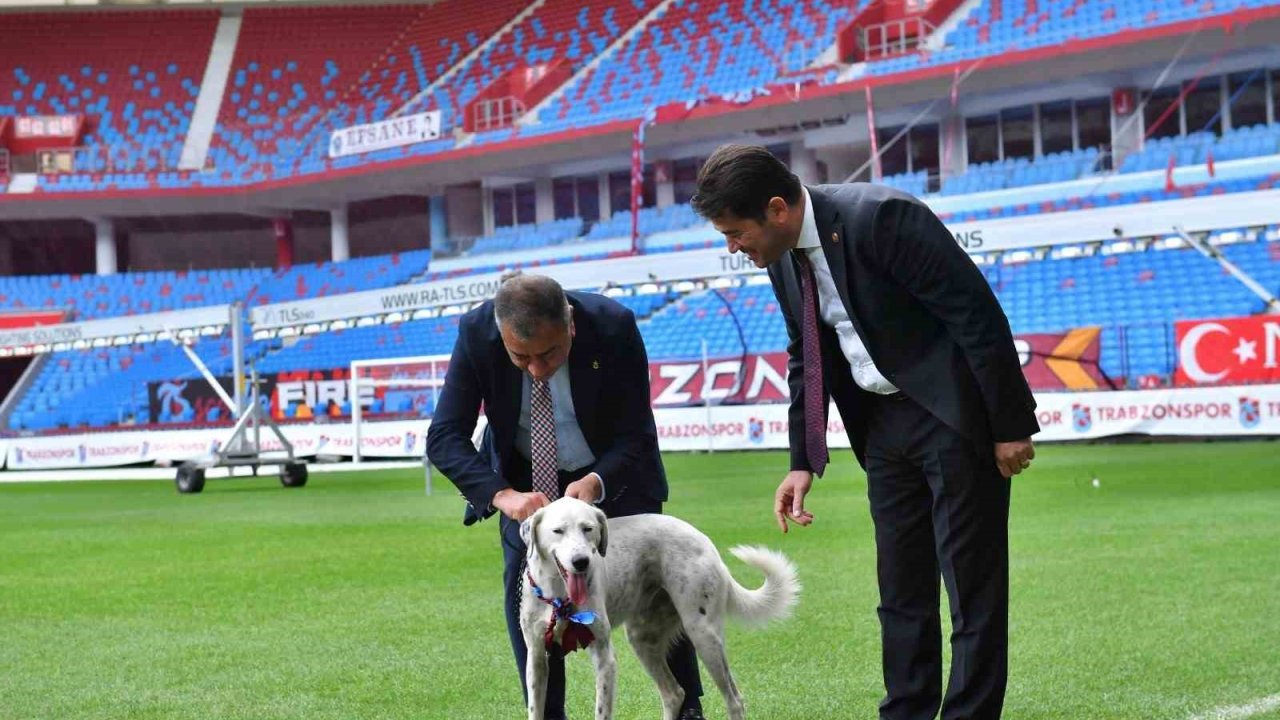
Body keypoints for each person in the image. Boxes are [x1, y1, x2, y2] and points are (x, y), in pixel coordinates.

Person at [691, 145, 1039, 720]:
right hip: (882, 431)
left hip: (951, 418)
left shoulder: (883, 218)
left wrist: (1009, 426)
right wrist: (802, 458)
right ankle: (905, 711)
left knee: (972, 592)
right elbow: (806, 352)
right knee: (901, 591)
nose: (732, 247)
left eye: (734, 232)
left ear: (776, 209)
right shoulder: (780, 257)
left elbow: (976, 316)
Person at [425, 274, 704, 720]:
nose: (537, 368)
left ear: (570, 324)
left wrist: (596, 482)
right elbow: (443, 437)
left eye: (550, 353)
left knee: (661, 592)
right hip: (525, 490)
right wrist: (502, 495)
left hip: (614, 476)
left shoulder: (613, 326)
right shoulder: (476, 334)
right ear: (501, 334)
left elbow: (637, 433)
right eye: (521, 356)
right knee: (530, 601)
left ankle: (687, 707)